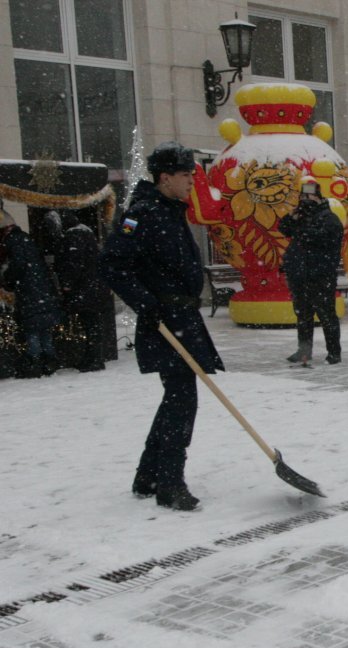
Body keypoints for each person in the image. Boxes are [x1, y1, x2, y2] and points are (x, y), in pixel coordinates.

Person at [100, 141, 224, 511]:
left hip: (181, 318)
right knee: (181, 401)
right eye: (186, 175)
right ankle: (169, 483)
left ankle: (149, 476)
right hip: (165, 321)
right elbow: (113, 265)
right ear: (165, 177)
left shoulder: (169, 210)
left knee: (177, 399)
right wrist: (146, 304)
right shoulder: (142, 214)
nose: (191, 181)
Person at [278, 178, 343, 366]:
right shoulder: (301, 217)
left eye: (309, 196)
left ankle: (334, 352)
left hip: (320, 275)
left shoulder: (329, 218)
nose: (305, 200)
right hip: (300, 274)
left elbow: (319, 239)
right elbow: (283, 228)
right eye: (302, 197)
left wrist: (302, 227)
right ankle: (304, 351)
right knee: (303, 315)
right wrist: (292, 216)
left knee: (326, 315)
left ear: (319, 197)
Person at [0, 211, 63, 377]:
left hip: (30, 293)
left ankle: (35, 363)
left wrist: (7, 280)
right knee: (44, 330)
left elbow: (17, 266)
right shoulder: (26, 240)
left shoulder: (12, 242)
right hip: (42, 292)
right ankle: (50, 361)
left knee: (32, 330)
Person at [56, 210, 109, 371]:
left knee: (90, 323)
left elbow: (74, 262)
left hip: (85, 289)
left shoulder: (74, 236)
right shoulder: (87, 233)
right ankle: (95, 357)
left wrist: (67, 283)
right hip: (93, 287)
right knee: (93, 324)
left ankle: (94, 358)